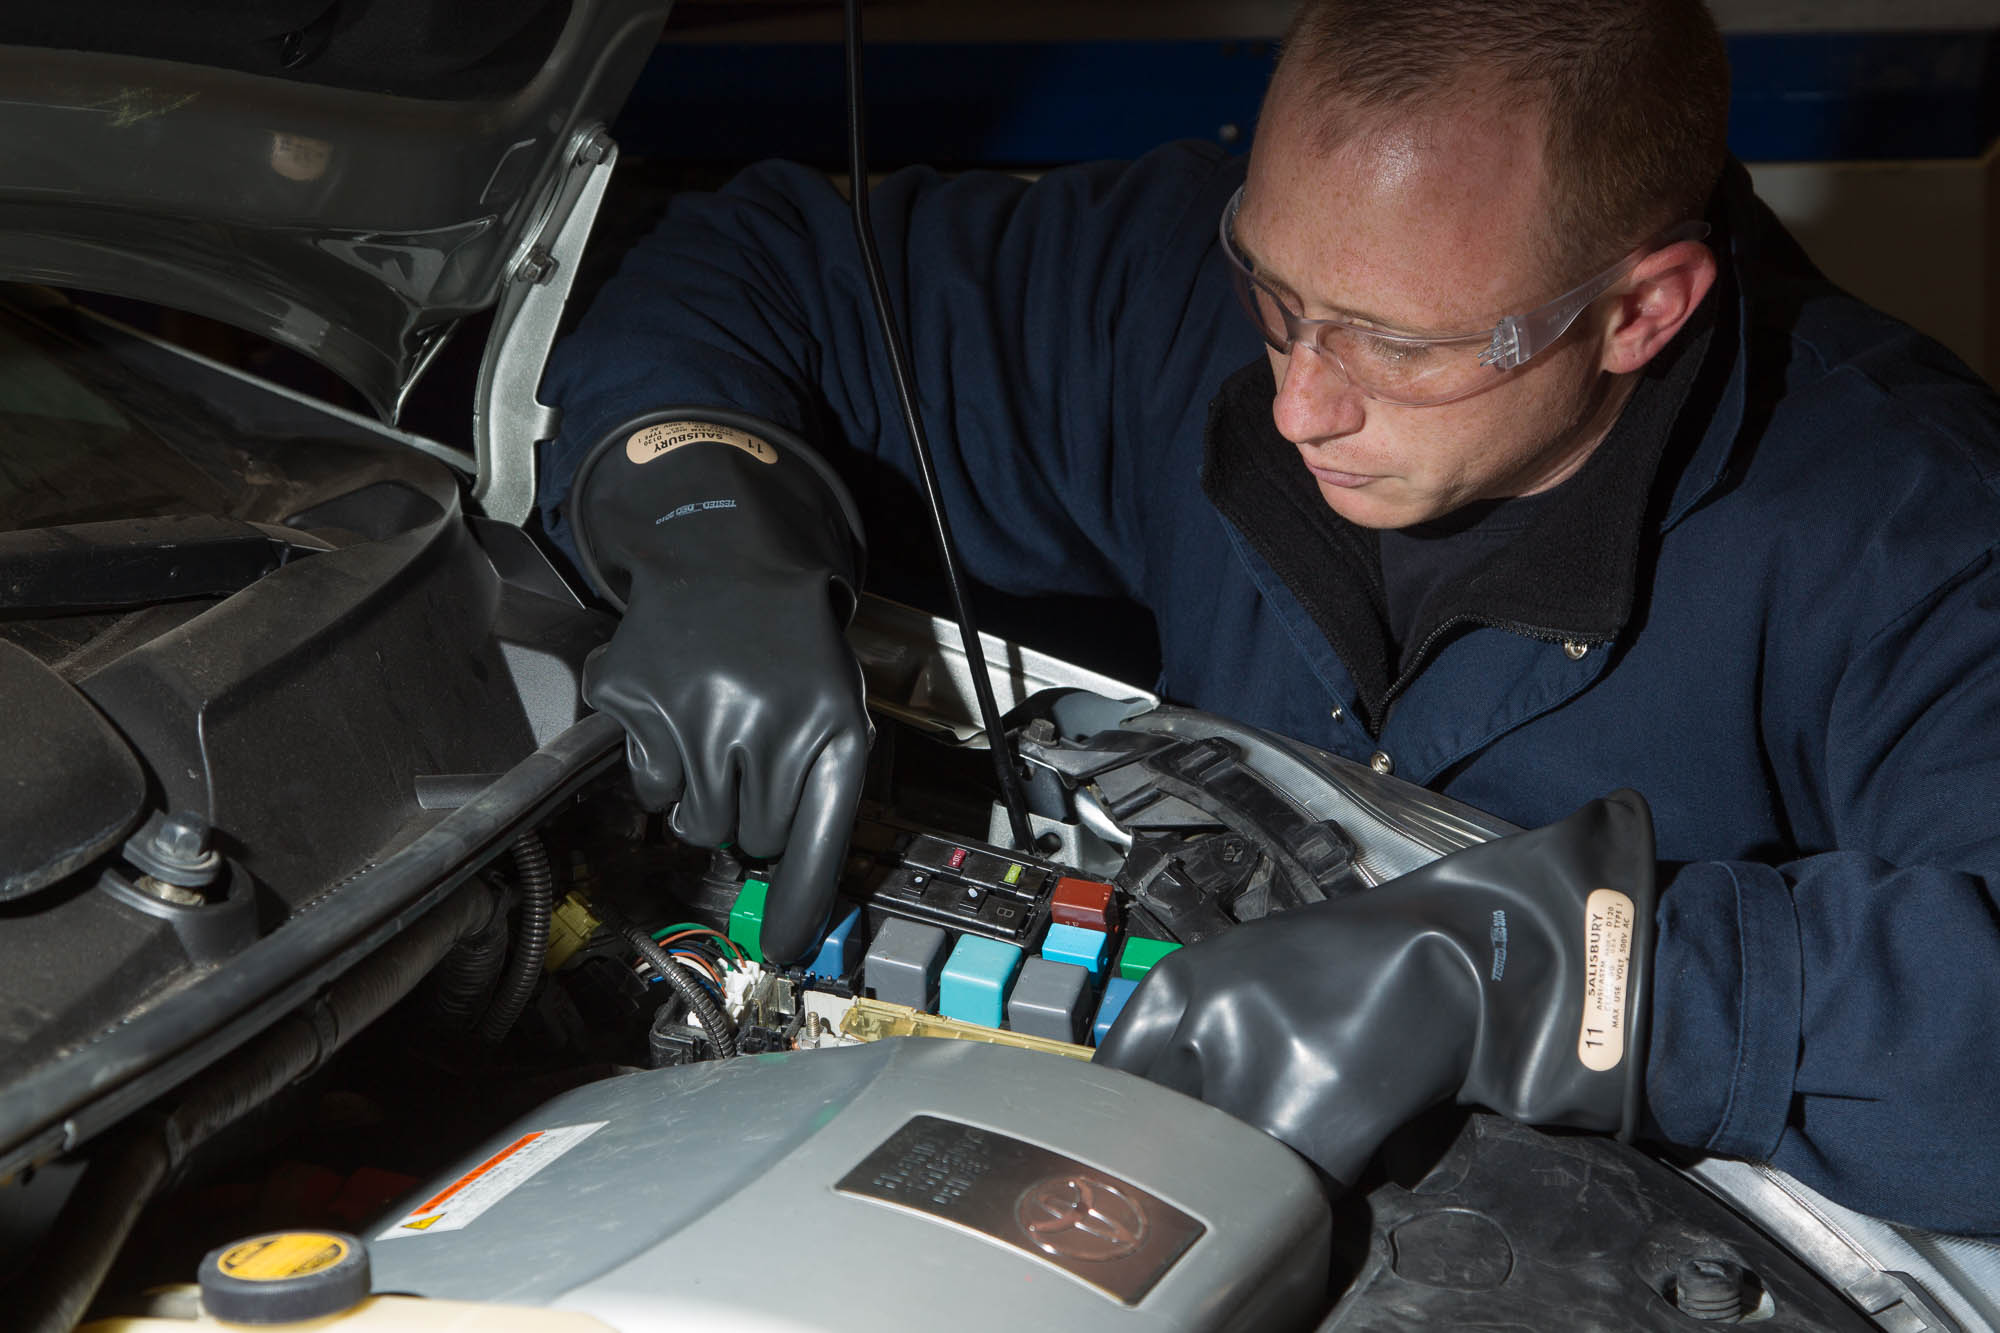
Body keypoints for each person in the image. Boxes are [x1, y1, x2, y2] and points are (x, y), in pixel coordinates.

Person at [538, 0, 2000, 1235]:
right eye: (1279, 298)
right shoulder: (1182, 290)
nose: (1300, 402)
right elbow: (758, 268)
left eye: (1398, 347)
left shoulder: (1915, 531)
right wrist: (702, 518)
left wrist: (1542, 979)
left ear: (1640, 312)